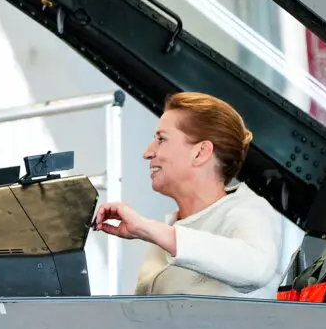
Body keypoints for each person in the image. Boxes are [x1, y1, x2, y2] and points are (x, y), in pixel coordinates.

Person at [92, 91, 302, 299]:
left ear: (200, 152)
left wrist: (148, 229)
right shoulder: (167, 234)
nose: (147, 152)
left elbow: (256, 267)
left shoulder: (251, 211)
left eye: (161, 139)